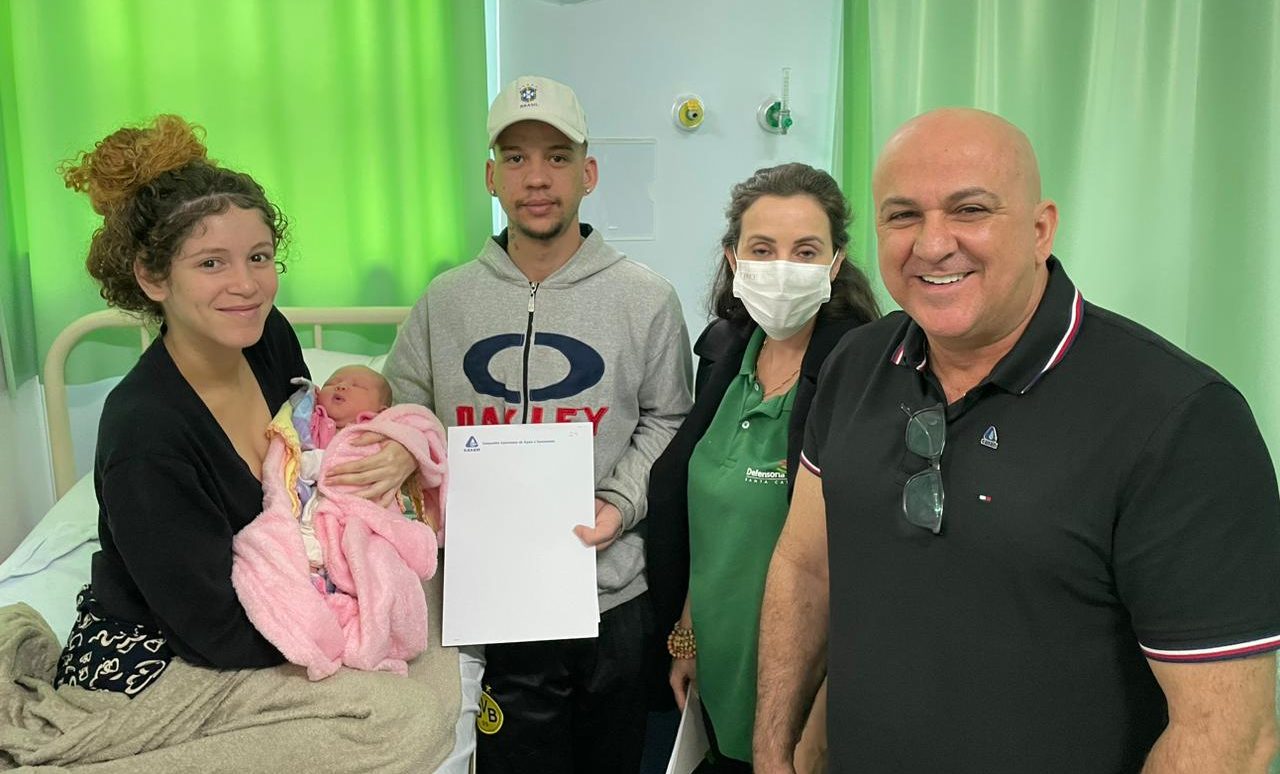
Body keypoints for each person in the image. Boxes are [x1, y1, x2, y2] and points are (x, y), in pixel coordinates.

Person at [753, 107, 1280, 773]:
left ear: (1040, 230)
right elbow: (808, 568)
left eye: (970, 210)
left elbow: (1230, 736)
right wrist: (771, 750)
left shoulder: (1180, 421)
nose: (933, 243)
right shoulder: (855, 366)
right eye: (903, 215)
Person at [3, 115, 461, 771]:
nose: (245, 285)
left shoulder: (267, 337)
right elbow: (213, 628)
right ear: (154, 279)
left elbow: (316, 446)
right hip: (162, 652)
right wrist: (346, 637)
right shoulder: (145, 430)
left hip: (270, 600)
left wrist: (396, 447)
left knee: (432, 606)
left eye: (259, 257)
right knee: (404, 718)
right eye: (211, 263)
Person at [384, 75, 693, 773]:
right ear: (491, 176)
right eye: (516, 159)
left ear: (587, 173)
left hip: (609, 591)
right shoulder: (446, 301)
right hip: (488, 593)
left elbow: (670, 417)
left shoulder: (645, 299)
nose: (536, 179)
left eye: (556, 157)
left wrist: (617, 503)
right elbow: (406, 416)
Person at [645, 163, 879, 771]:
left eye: (806, 251)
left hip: (811, 687)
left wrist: (822, 716)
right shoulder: (724, 353)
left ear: (835, 262)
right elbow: (706, 512)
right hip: (720, 661)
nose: (783, 268)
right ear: (733, 258)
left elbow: (871, 565)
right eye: (763, 249)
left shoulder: (866, 372)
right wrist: (688, 633)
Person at [232, 364, 448, 680]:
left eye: (356, 385)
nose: (341, 386)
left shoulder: (381, 432)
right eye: (334, 381)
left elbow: (423, 429)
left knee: (377, 567)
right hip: (309, 514)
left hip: (360, 520)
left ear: (382, 408)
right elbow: (291, 460)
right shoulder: (309, 423)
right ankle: (310, 617)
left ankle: (359, 622)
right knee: (264, 547)